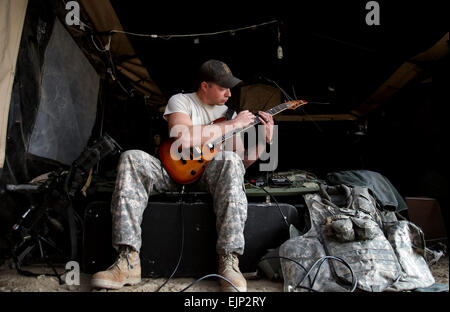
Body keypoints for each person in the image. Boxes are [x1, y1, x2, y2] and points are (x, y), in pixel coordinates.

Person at [90, 59, 274, 292]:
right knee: (132, 157)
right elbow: (183, 139)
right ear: (205, 86)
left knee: (230, 160)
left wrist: (264, 141)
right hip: (170, 171)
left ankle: (229, 261)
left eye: (230, 88)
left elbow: (240, 162)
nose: (229, 93)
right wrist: (233, 125)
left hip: (207, 177)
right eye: (222, 87)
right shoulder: (181, 101)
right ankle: (128, 261)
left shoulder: (230, 113)